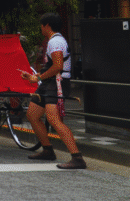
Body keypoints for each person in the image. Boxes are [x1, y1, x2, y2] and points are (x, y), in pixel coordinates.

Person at [21, 13, 85, 170]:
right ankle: (47, 149)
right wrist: (36, 77)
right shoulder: (55, 40)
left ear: (47, 25)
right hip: (48, 83)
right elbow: (53, 66)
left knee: (54, 120)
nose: (41, 28)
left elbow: (58, 66)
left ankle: (77, 157)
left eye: (41, 25)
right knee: (33, 115)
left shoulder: (55, 42)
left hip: (57, 84)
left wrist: (39, 77)